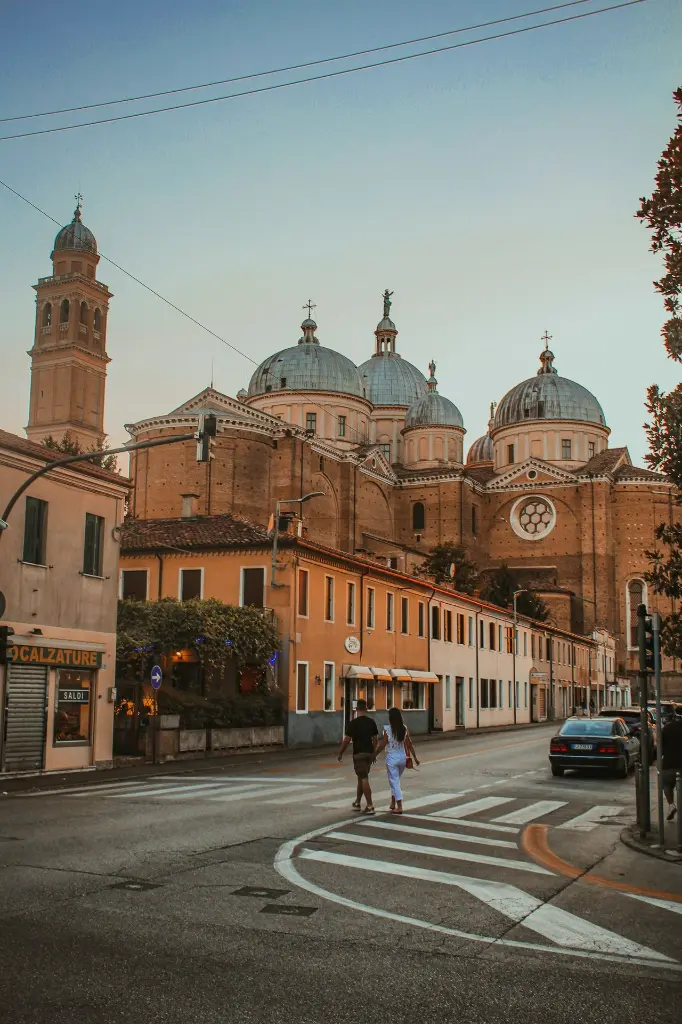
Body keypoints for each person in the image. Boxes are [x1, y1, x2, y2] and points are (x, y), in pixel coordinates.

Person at [374, 706, 420, 814]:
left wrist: (374, 755)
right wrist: (415, 757)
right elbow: (409, 744)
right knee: (395, 781)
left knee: (394, 782)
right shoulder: (404, 728)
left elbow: (382, 745)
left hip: (392, 759)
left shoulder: (388, 730)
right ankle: (393, 802)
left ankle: (399, 806)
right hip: (402, 758)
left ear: (391, 718)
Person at [337, 699, 379, 814]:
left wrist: (340, 753)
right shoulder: (371, 722)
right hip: (368, 754)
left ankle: (370, 806)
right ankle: (357, 802)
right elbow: (375, 739)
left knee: (364, 778)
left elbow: (346, 740)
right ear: (366, 709)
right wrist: (373, 753)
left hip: (359, 754)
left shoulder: (353, 723)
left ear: (356, 709)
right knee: (361, 777)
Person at [661, 710, 682, 821]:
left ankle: (671, 805)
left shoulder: (667, 728)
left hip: (669, 763)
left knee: (667, 785)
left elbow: (660, 746)